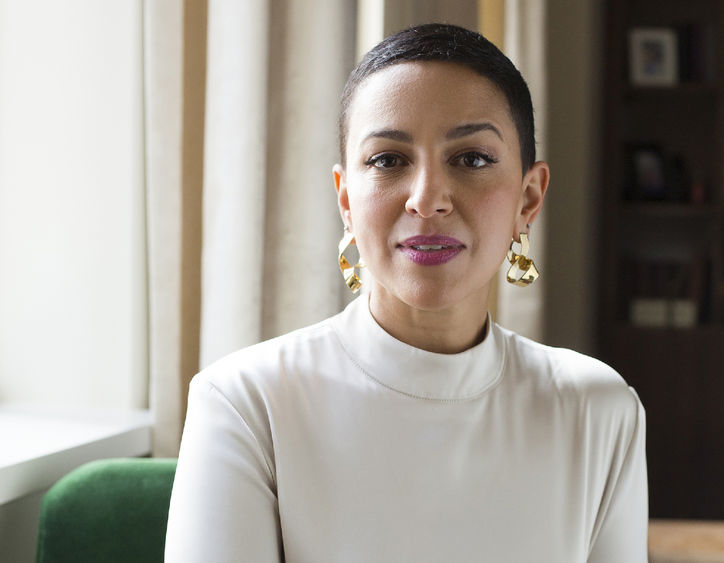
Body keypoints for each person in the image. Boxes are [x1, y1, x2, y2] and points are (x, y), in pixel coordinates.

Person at [165, 23, 647, 562]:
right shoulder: (246, 405)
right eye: (389, 160)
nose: (427, 199)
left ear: (528, 198)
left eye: (472, 159)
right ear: (346, 200)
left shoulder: (597, 409)